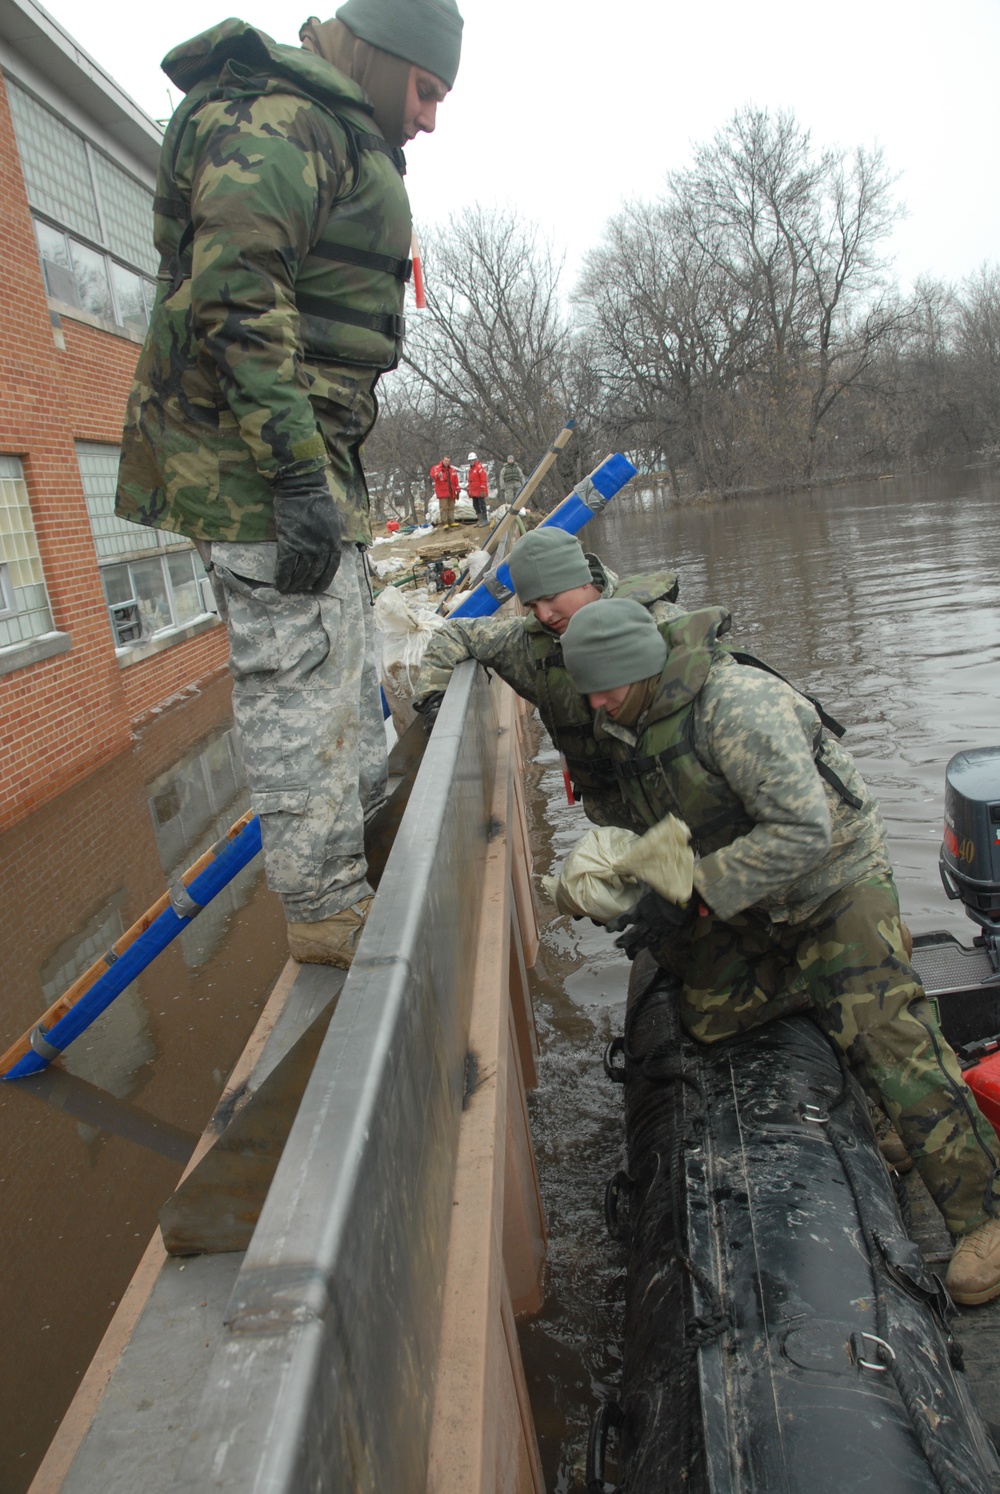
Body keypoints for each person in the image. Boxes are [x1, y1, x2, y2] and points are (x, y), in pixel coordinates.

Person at [114, 0, 463, 968]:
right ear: (385, 58)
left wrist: (321, 476)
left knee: (344, 661)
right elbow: (237, 291)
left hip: (308, 463)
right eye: (427, 91)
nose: (431, 117)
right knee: (298, 676)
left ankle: (361, 853)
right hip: (257, 470)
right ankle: (323, 907)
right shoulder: (280, 118)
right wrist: (297, 475)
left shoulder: (332, 126)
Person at [559, 596, 1000, 1306]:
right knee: (710, 1015)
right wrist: (645, 882)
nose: (598, 702)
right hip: (754, 891)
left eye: (607, 686)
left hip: (833, 881)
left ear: (643, 668)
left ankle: (986, 1213)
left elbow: (804, 835)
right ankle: (827, 1001)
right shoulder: (629, 718)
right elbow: (675, 814)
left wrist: (693, 893)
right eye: (589, 689)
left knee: (891, 1036)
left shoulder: (736, 707)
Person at [413, 526, 682, 828]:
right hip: (615, 824)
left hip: (681, 812)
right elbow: (454, 632)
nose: (544, 615)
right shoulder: (530, 645)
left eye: (551, 597)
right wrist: (435, 702)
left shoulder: (657, 623)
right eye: (532, 605)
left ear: (582, 581)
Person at [430, 455, 461, 527]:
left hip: (451, 491)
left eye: (448, 461)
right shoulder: (436, 468)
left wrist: (457, 488)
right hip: (442, 492)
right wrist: (437, 475)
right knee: (444, 508)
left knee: (451, 507)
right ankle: (445, 523)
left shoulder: (452, 470)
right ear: (442, 460)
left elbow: (456, 480)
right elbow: (432, 474)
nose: (447, 462)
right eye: (446, 461)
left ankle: (451, 521)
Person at [466, 452, 489, 524]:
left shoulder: (480, 468)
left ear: (475, 460)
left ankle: (485, 519)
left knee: (482, 505)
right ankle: (480, 519)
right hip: (474, 491)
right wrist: (469, 489)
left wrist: (482, 488)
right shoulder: (471, 470)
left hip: (480, 491)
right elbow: (470, 480)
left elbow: (483, 479)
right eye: (470, 460)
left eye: (472, 460)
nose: (471, 462)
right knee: (475, 505)